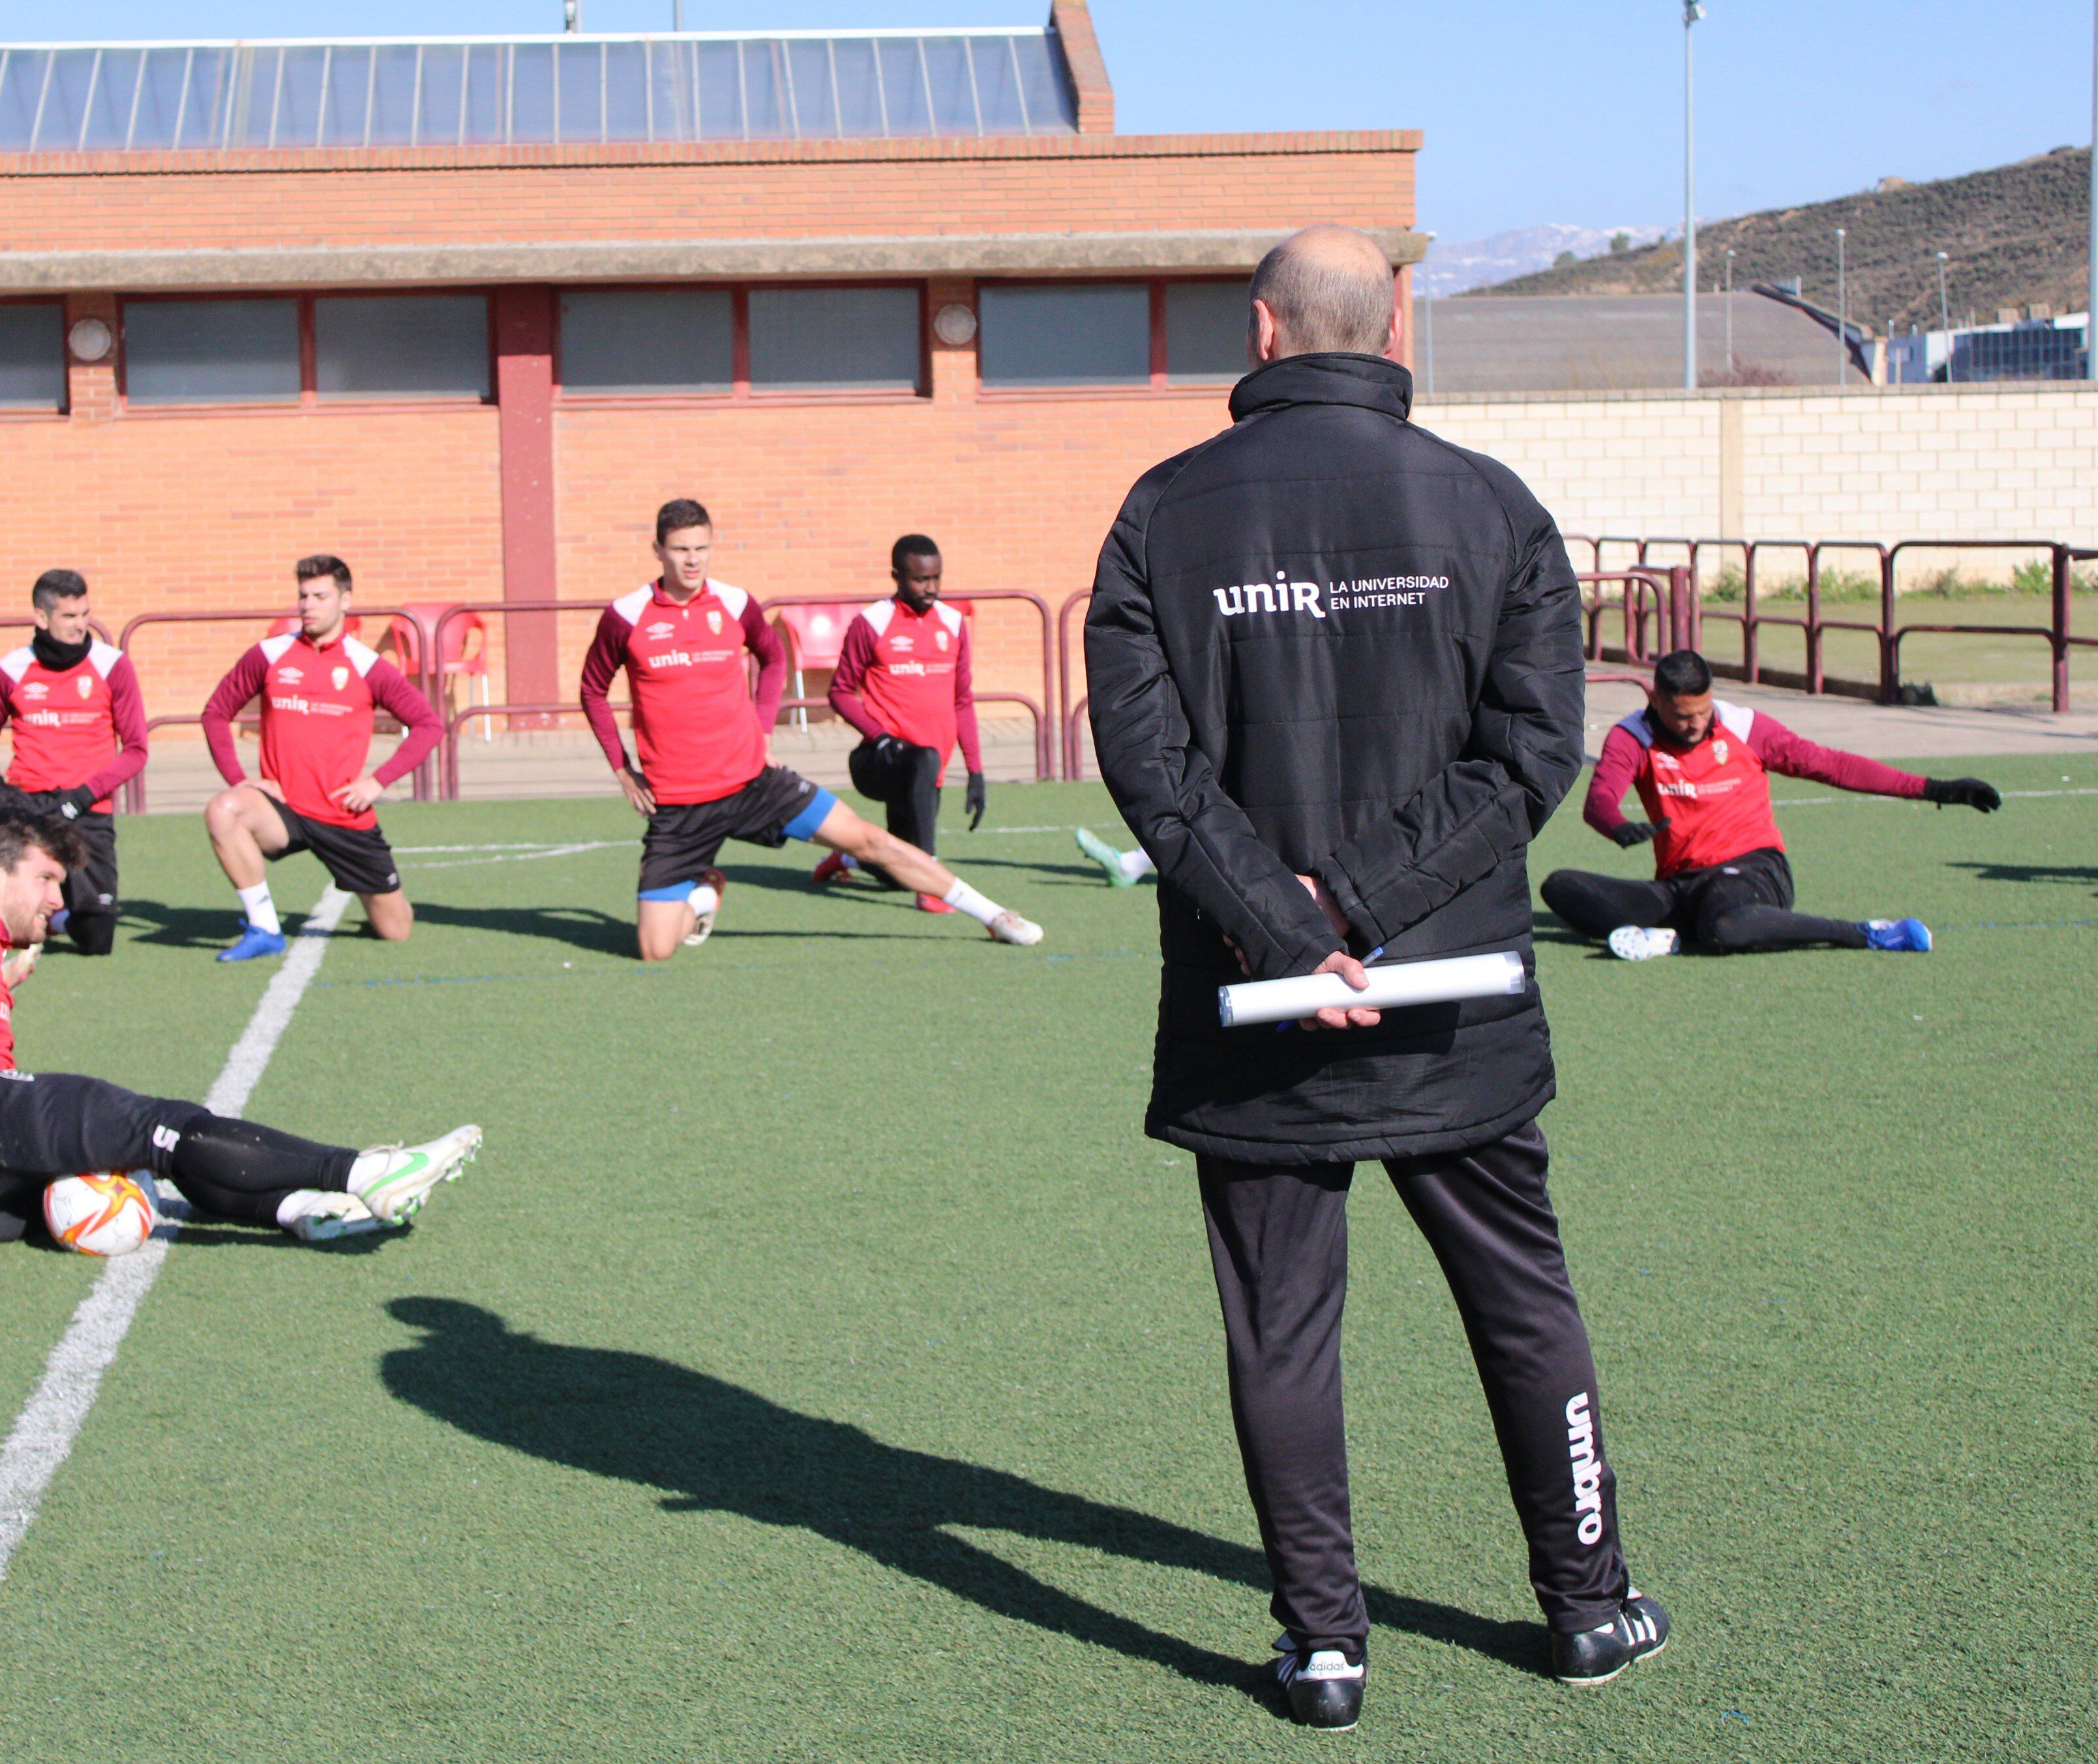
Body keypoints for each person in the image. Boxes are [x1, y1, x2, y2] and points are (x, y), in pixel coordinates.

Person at [1085, 226, 1666, 1729]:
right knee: (1523, 1301)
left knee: (1281, 1326)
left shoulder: (1160, 511)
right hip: (1450, 991)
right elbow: (1532, 753)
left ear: (1265, 335)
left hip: (1252, 998)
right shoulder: (1492, 504)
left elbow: (1148, 771)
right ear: (1393, 320)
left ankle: (1324, 1645)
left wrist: (1295, 925)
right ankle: (1589, 1607)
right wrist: (1358, 911)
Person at [0, 805, 479, 1264]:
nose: (56, 899)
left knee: (138, 1164)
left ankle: (295, 1209)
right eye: (45, 879)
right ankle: (365, 1170)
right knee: (159, 1127)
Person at [577, 499, 1042, 961]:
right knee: (654, 949)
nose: (693, 559)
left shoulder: (735, 603)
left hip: (752, 781)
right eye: (681, 549)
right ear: (658, 549)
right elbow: (592, 689)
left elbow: (774, 657)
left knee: (870, 840)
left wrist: (762, 735)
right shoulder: (627, 615)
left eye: (702, 547)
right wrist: (622, 769)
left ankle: (996, 916)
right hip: (678, 805)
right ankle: (704, 894)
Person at [1540, 650, 2001, 959]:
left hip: (1755, 872)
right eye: (1682, 715)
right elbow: (1600, 798)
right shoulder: (1632, 735)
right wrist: (1617, 826)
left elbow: (1832, 765)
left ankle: (1864, 931)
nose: (1696, 724)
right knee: (1561, 885)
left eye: (1703, 711)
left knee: (1726, 926)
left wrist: (1937, 789)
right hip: (1682, 886)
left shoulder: (1744, 727)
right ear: (1656, 700)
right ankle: (1655, 936)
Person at [200, 554, 445, 960]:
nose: (308, 605)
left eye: (320, 596)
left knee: (396, 930)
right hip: (282, 810)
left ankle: (382, 903)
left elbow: (428, 725)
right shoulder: (269, 655)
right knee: (223, 810)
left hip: (343, 813)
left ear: (345, 601)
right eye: (303, 596)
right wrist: (239, 779)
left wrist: (377, 782)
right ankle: (263, 928)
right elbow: (215, 713)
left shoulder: (367, 665)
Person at [0, 569, 148, 956]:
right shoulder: (9, 670)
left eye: (84, 614)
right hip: (28, 803)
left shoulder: (113, 666)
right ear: (41, 618)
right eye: (69, 616)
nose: (81, 625)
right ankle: (41, 913)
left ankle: (61, 915)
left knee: (96, 941)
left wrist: (82, 796)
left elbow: (137, 750)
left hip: (86, 806)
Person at [814, 533, 987, 912]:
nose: (931, 588)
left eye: (937, 578)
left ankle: (847, 859)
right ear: (896, 577)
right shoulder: (872, 623)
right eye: (920, 579)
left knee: (898, 871)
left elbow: (962, 700)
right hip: (880, 762)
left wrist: (975, 770)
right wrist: (881, 738)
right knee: (923, 759)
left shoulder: (954, 624)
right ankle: (934, 887)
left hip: (929, 773)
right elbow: (840, 692)